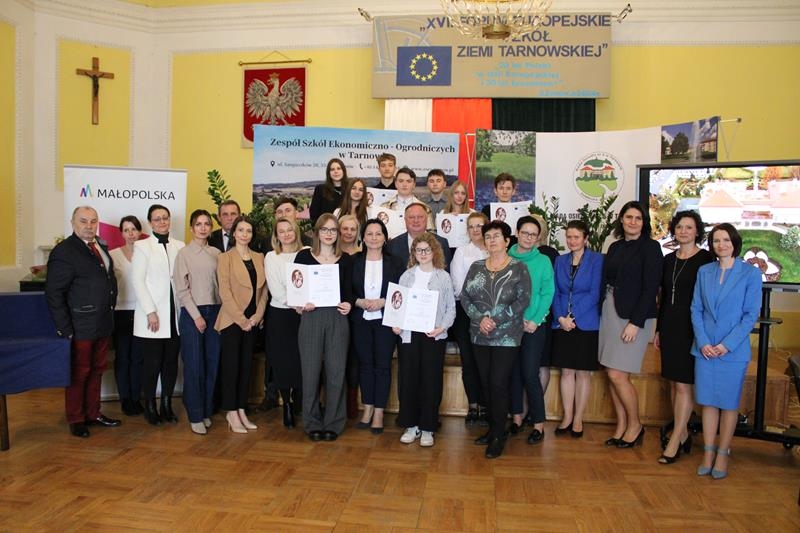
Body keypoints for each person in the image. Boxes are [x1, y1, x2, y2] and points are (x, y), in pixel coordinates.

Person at [692, 223, 761, 479]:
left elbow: (750, 315)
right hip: (705, 349)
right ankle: (708, 453)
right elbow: (696, 309)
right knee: (708, 403)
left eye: (726, 240)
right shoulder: (704, 271)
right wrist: (703, 342)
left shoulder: (750, 273)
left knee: (728, 404)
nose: (721, 245)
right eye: (716, 241)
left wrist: (725, 345)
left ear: (735, 243)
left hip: (732, 351)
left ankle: (723, 453)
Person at [45, 206, 121, 438]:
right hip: (79, 327)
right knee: (79, 373)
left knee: (97, 371)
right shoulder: (64, 251)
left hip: (102, 323)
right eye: (83, 221)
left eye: (93, 221)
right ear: (73, 223)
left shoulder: (100, 246)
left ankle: (93, 413)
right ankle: (76, 418)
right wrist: (65, 328)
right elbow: (54, 293)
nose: (89, 226)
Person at [460, 221, 531, 459]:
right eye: (488, 236)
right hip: (479, 333)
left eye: (496, 236)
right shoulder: (476, 267)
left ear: (507, 241)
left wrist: (495, 319)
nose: (491, 240)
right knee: (485, 383)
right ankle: (493, 429)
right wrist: (480, 318)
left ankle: (500, 435)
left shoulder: (519, 267)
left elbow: (523, 300)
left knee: (498, 382)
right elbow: (465, 297)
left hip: (507, 336)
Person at [599, 201, 663, 448]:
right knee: (611, 373)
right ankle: (621, 426)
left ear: (644, 222)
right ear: (622, 220)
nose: (633, 222)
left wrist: (635, 323)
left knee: (618, 374)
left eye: (638, 218)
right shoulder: (615, 247)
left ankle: (635, 425)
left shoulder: (651, 247)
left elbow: (651, 288)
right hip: (610, 312)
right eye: (629, 217)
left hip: (634, 317)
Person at [654, 211, 714, 463]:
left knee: (683, 384)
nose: (683, 231)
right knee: (672, 382)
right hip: (669, 326)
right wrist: (658, 329)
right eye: (679, 227)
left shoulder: (706, 259)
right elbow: (663, 297)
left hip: (693, 327)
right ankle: (684, 434)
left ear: (697, 231)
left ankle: (676, 438)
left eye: (689, 227)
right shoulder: (669, 259)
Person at [294, 214, 354, 441]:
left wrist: (349, 303)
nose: (329, 234)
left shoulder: (346, 260)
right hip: (311, 317)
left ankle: (333, 423)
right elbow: (296, 289)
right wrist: (301, 303)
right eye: (324, 229)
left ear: (338, 234)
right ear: (317, 232)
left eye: (333, 230)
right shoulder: (303, 257)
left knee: (336, 372)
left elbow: (350, 291)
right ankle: (311, 422)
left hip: (337, 317)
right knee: (310, 372)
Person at [394, 233, 456, 448]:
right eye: (418, 250)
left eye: (426, 250)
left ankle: (428, 427)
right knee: (409, 380)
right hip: (409, 335)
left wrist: (442, 327)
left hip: (433, 335)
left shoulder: (443, 277)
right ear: (414, 253)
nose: (422, 254)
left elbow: (451, 308)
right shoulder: (406, 276)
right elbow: (397, 304)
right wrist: (396, 323)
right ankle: (411, 425)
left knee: (431, 381)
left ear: (434, 251)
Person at [132, 204, 185, 426]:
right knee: (152, 363)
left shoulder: (180, 246)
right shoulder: (142, 246)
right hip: (153, 316)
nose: (162, 222)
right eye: (157, 219)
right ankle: (150, 406)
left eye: (165, 218)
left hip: (175, 314)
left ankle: (166, 404)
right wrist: (150, 311)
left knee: (171, 363)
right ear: (150, 223)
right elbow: (138, 281)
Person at [550, 220, 604, 438]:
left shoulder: (597, 260)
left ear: (585, 238)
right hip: (562, 323)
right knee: (566, 372)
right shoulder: (560, 260)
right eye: (569, 237)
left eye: (576, 237)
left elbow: (595, 293)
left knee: (582, 373)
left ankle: (579, 418)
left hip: (586, 322)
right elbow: (554, 291)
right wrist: (560, 317)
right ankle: (567, 416)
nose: (572, 241)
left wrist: (573, 316)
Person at [351, 219, 404, 434]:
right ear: (363, 238)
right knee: (365, 365)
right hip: (360, 320)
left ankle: (379, 412)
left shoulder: (396, 262)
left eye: (378, 233)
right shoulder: (353, 261)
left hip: (386, 320)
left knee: (382, 366)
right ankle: (368, 408)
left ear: (385, 237)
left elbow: (401, 290)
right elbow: (345, 290)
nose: (374, 238)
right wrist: (359, 301)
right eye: (369, 234)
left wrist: (384, 301)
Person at [215, 216, 267, 433]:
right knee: (231, 367)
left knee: (246, 367)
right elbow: (224, 292)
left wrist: (257, 315)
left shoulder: (259, 257)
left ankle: (241, 409)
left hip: (253, 321)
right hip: (232, 321)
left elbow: (264, 291)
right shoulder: (225, 257)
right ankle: (231, 411)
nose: (245, 234)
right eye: (241, 230)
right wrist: (242, 320)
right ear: (234, 233)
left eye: (249, 231)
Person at [173, 209, 221, 435]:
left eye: (207, 224)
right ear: (192, 228)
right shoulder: (184, 254)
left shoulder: (216, 253)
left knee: (211, 363)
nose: (203, 228)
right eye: (198, 224)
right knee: (194, 365)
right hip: (194, 314)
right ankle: (194, 414)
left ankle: (206, 410)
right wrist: (197, 316)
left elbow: (221, 286)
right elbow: (181, 289)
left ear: (211, 228)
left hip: (216, 311)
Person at [508, 216, 554, 444]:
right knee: (513, 373)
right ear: (517, 233)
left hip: (534, 326)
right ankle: (516, 419)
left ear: (538, 238)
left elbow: (547, 293)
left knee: (529, 373)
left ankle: (538, 424)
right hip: (509, 325)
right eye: (525, 232)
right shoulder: (506, 257)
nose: (528, 237)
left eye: (533, 234)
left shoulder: (543, 260)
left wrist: (535, 320)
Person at [265, 217, 307, 429]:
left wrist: (303, 305)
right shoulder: (272, 257)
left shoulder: (307, 252)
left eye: (289, 230)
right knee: (282, 362)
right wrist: (295, 304)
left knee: (302, 359)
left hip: (305, 314)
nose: (286, 234)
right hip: (281, 316)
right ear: (276, 236)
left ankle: (300, 402)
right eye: (281, 231)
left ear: (296, 231)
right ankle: (287, 405)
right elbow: (276, 290)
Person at [449, 212, 489, 426]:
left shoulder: (495, 250)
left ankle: (486, 405)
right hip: (465, 313)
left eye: (479, 226)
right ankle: (473, 405)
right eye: (471, 226)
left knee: (487, 361)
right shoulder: (461, 252)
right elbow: (457, 286)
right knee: (469, 360)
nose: (475, 230)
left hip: (491, 315)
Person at [109, 215, 144, 416]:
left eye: (134, 229)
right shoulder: (113, 255)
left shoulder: (147, 254)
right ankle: (125, 399)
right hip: (120, 312)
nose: (131, 233)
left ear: (140, 232)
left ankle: (136, 398)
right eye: (126, 230)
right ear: (121, 233)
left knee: (138, 358)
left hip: (142, 312)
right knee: (123, 357)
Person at [387, 203, 452, 269]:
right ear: (405, 220)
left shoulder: (442, 243)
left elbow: (445, 271)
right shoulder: (392, 245)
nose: (416, 221)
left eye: (420, 217)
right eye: (411, 217)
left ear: (427, 218)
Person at [310, 157, 348, 225]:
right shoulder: (320, 190)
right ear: (328, 173)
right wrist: (321, 229)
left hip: (346, 229)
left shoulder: (350, 189)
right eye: (332, 169)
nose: (336, 171)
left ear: (343, 171)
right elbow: (314, 215)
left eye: (339, 168)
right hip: (325, 229)